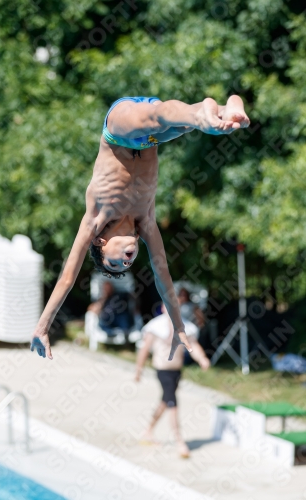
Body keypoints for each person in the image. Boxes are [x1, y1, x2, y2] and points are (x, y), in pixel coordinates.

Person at [31, 95, 250, 360]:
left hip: (119, 131)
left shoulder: (96, 218)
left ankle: (202, 116)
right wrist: (178, 325)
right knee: (178, 124)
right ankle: (228, 109)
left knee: (158, 117)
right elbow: (163, 276)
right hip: (150, 139)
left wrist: (42, 327)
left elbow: (67, 278)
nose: (126, 263)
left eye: (115, 264)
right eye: (126, 266)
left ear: (100, 243)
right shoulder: (145, 221)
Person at [135, 304, 210, 458]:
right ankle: (179, 440)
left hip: (176, 371)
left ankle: (148, 430)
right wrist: (139, 370)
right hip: (162, 370)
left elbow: (193, 346)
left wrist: (202, 359)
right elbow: (144, 348)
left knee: (165, 401)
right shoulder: (155, 327)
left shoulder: (185, 327)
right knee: (173, 404)